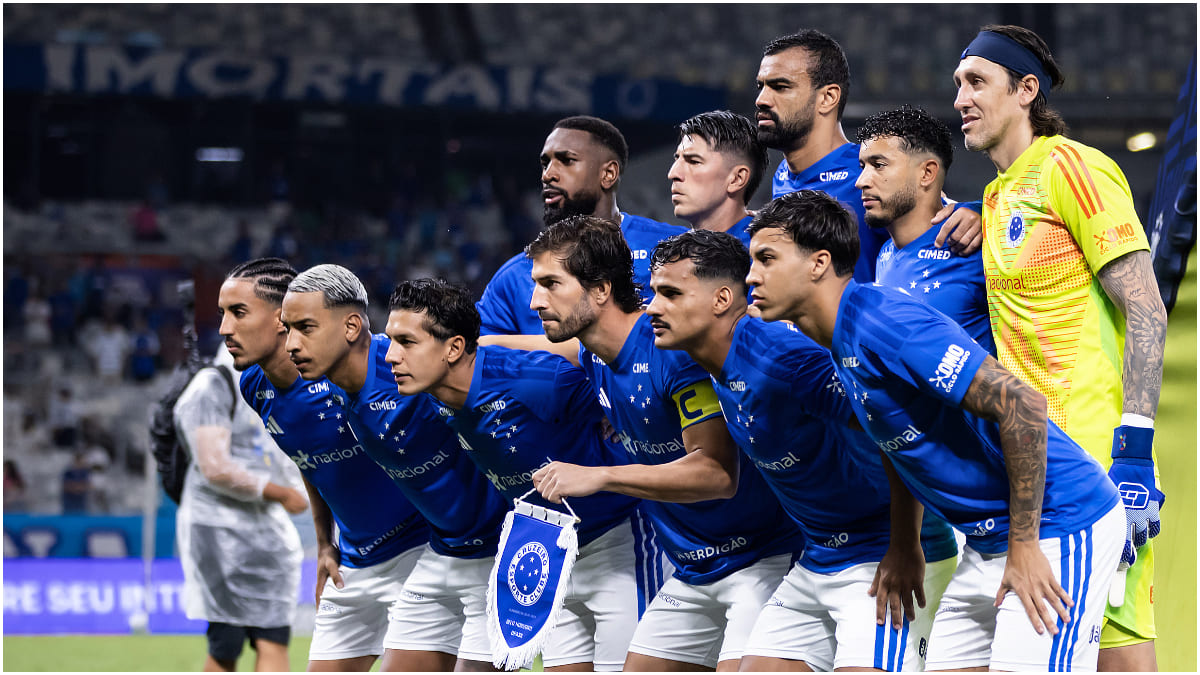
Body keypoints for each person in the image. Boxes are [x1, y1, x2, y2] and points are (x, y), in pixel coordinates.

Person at [746, 189, 1125, 671]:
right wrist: (905, 543)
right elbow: (894, 441)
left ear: (819, 263)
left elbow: (1022, 405)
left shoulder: (886, 323)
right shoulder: (839, 339)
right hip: (989, 542)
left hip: (1059, 521)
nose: (752, 275)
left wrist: (1025, 547)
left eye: (766, 259)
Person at [954, 25, 1168, 670]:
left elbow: (1147, 307)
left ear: (1026, 90)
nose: (960, 97)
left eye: (976, 82)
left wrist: (1133, 452)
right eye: (957, 84)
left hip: (1098, 461)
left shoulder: (1072, 166)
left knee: (1119, 641)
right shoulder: (997, 195)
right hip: (1032, 464)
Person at [646, 229, 958, 671]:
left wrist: (906, 545)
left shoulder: (786, 362)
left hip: (887, 557)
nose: (654, 308)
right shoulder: (707, 357)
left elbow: (890, 431)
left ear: (720, 301)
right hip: (819, 559)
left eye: (670, 294)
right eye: (654, 292)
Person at [519, 216, 801, 671]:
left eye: (551, 283)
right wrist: (477, 344)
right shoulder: (594, 353)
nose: (535, 300)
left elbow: (717, 473)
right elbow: (553, 351)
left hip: (760, 559)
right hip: (691, 570)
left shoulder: (675, 352)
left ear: (600, 290)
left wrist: (601, 477)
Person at [386, 278, 660, 672]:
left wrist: (616, 420)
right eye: (392, 340)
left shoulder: (534, 381)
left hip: (621, 543)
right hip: (555, 553)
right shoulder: (433, 395)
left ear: (454, 348)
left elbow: (618, 385)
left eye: (407, 343)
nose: (392, 356)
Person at [279, 263, 510, 672]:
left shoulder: (409, 364)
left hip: (498, 551)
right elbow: (308, 457)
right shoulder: (322, 389)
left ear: (352, 327)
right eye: (288, 329)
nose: (292, 344)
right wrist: (323, 541)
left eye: (306, 328)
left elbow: (496, 366)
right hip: (444, 552)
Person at [218, 258, 434, 672]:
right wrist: (323, 543)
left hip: (421, 553)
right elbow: (309, 459)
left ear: (283, 317)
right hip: (352, 564)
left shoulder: (376, 366)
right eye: (223, 315)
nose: (226, 329)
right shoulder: (254, 387)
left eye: (239, 313)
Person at [754, 30, 982, 281]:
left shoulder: (870, 174)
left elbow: (943, 214)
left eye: (780, 86)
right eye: (761, 86)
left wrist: (978, 213)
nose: (761, 99)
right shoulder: (784, 174)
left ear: (828, 97)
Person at [476, 115, 686, 336]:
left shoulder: (673, 248)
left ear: (608, 174)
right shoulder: (512, 278)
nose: (548, 175)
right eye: (545, 163)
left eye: (566, 160)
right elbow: (474, 355)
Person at [173, 342, 308, 672]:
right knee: (226, 642)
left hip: (269, 534)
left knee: (274, 636)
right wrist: (282, 493)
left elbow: (284, 451)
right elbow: (215, 467)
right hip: (218, 532)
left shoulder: (277, 386)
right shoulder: (214, 384)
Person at [855, 105, 994, 348]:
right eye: (862, 167)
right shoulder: (885, 254)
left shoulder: (976, 245)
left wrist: (988, 211)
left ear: (927, 173)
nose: (861, 182)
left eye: (878, 165)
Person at [667, 111, 767, 246]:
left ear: (737, 179)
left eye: (694, 161)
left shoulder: (764, 254)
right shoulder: (672, 252)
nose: (673, 174)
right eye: (677, 158)